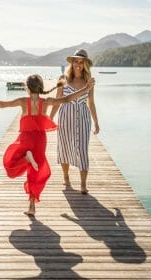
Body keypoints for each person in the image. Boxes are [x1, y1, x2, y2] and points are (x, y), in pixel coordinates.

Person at [0, 74, 95, 216]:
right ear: (41, 87)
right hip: (40, 140)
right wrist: (85, 88)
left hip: (26, 138)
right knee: (35, 173)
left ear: (27, 88)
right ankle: (31, 206)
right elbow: (66, 99)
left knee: (11, 165)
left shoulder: (23, 101)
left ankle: (27, 163)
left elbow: (3, 105)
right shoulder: (46, 101)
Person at [50, 49, 100, 194]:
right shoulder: (63, 78)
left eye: (81, 62)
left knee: (82, 150)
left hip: (83, 118)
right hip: (65, 118)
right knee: (65, 147)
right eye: (76, 61)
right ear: (72, 63)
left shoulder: (89, 81)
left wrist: (96, 122)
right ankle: (66, 177)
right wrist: (50, 118)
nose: (78, 64)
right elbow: (57, 101)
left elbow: (91, 103)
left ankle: (83, 184)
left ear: (85, 64)